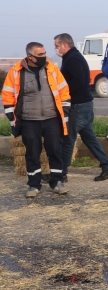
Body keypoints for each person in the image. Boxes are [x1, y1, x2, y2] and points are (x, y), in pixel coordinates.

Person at [2, 42, 71, 197]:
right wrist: (11, 117)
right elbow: (7, 95)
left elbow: (63, 90)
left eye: (44, 53)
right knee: (32, 153)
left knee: (55, 151)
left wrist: (65, 111)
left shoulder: (52, 69)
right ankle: (34, 185)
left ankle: (57, 182)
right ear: (30, 56)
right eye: (40, 54)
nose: (44, 56)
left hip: (51, 118)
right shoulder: (16, 72)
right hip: (28, 121)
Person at [55, 33, 108, 182]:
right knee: (89, 138)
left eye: (57, 46)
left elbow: (79, 80)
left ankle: (60, 174)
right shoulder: (72, 57)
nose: (55, 49)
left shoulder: (72, 59)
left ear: (65, 45)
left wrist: (64, 93)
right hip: (84, 104)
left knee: (68, 139)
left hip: (78, 105)